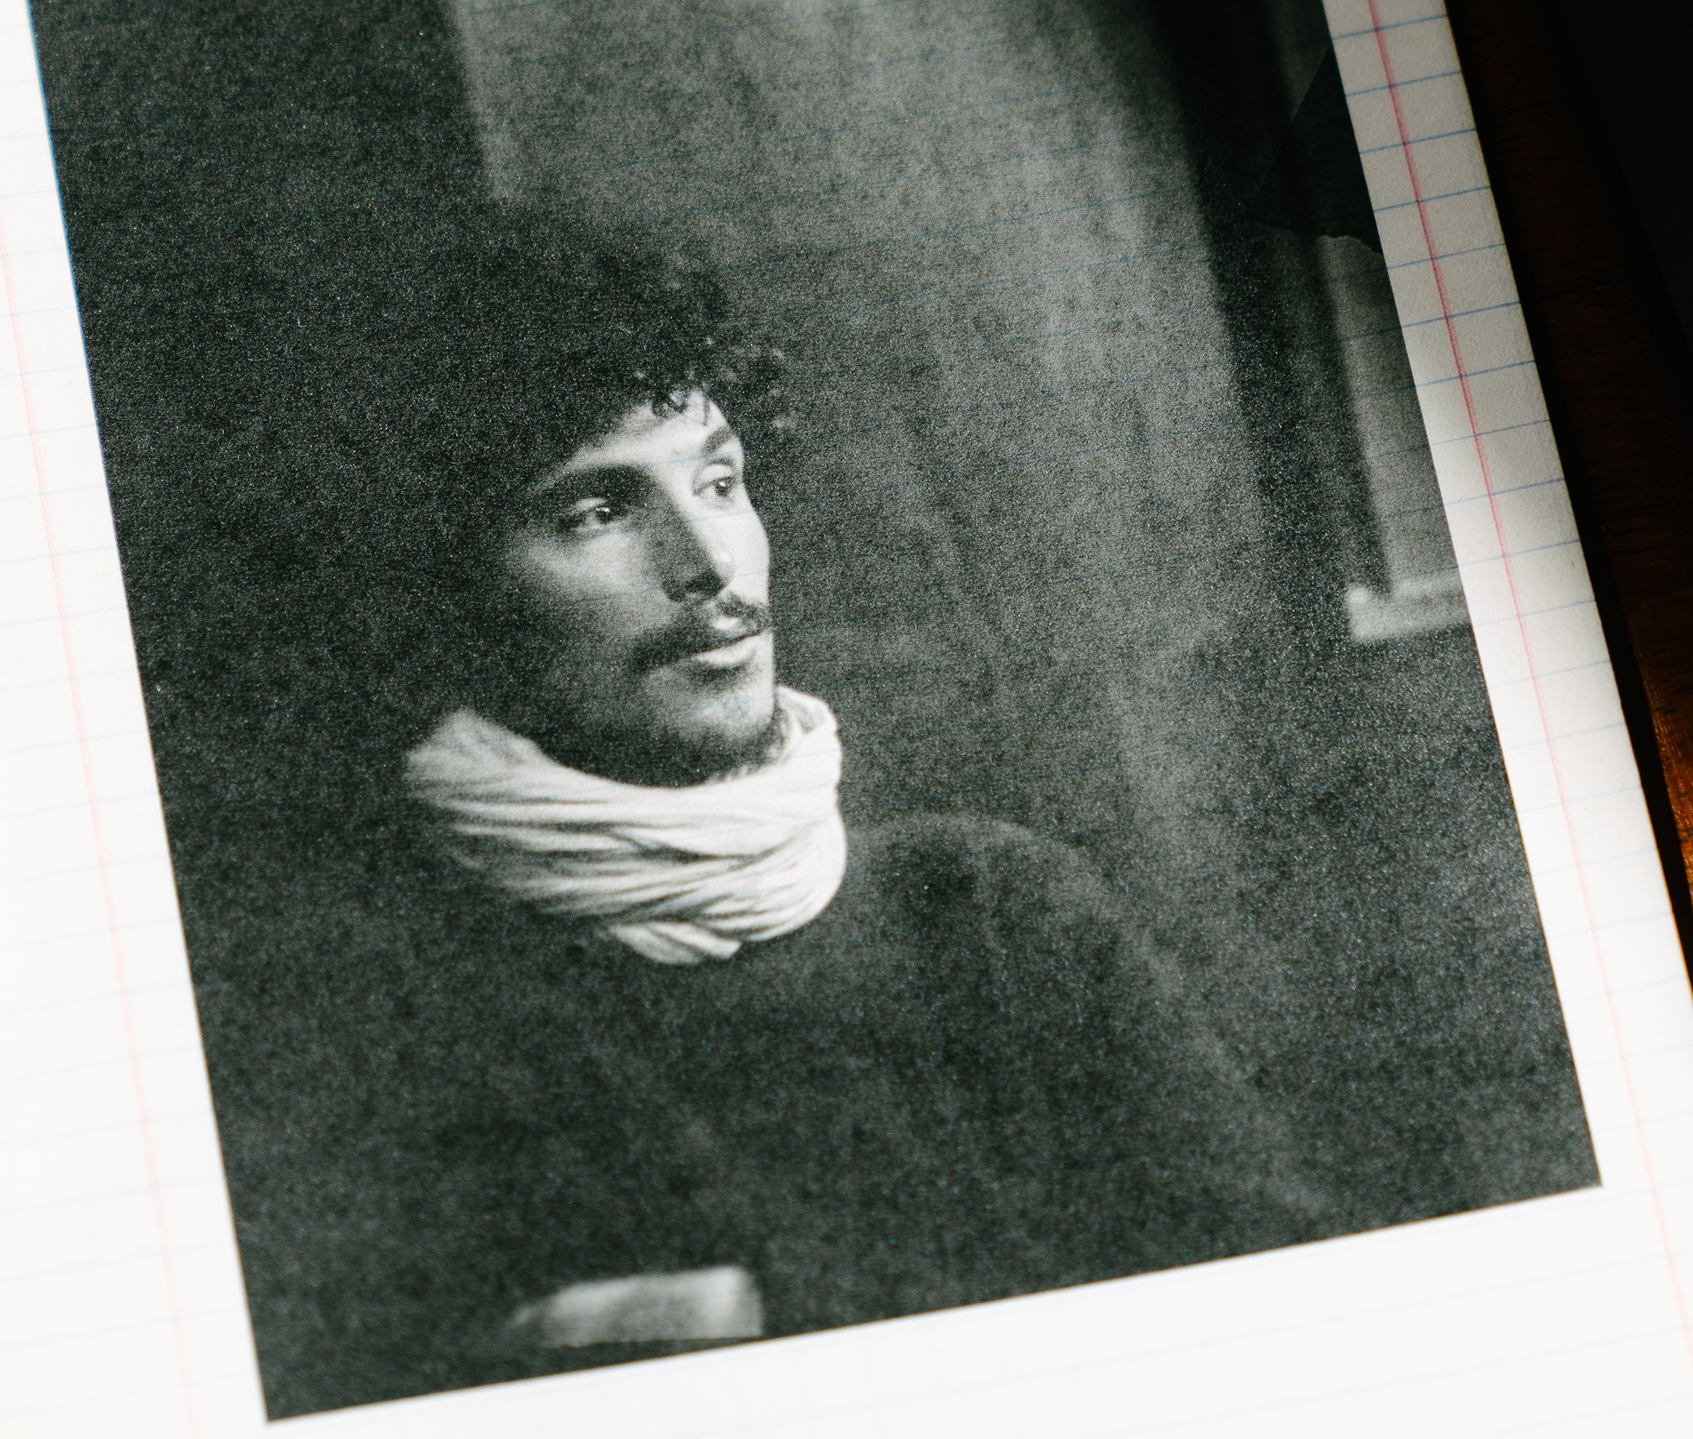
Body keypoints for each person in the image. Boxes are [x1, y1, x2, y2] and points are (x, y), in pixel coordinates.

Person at [222, 210, 1312, 1418]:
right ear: (437, 581)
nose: (710, 564)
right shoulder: (360, 1018)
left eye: (720, 482)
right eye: (595, 512)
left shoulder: (996, 915)